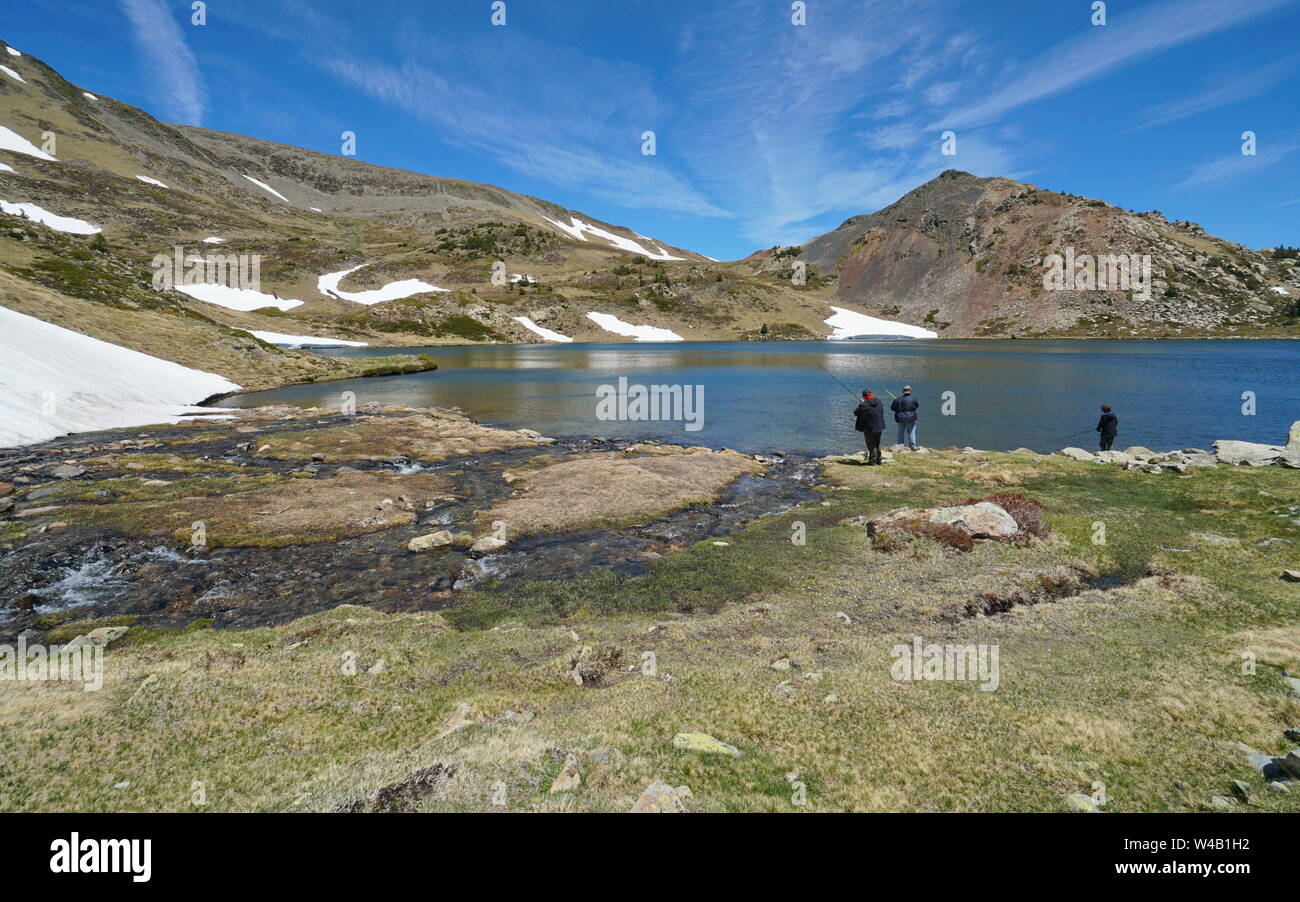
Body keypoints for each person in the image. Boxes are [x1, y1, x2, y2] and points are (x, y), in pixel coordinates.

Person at [854, 390, 886, 465]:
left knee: (871, 445)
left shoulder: (864, 404)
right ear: (871, 394)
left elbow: (856, 412)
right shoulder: (879, 401)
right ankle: (879, 460)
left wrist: (861, 403)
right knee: (877, 444)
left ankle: (872, 462)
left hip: (869, 428)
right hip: (879, 426)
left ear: (864, 396)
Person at [890, 385, 919, 450]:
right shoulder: (914, 399)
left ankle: (900, 446)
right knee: (911, 432)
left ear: (903, 391)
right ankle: (913, 446)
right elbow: (916, 406)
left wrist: (898, 407)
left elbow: (892, 408)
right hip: (911, 418)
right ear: (910, 391)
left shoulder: (898, 399)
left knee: (900, 432)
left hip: (900, 418)